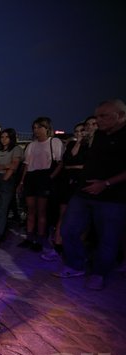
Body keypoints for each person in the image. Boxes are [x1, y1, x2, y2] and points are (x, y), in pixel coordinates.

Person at [56, 99, 126, 290]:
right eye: (96, 116)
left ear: (119, 115)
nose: (97, 120)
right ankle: (76, 264)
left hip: (113, 196)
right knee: (68, 229)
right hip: (84, 192)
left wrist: (106, 183)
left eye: (103, 116)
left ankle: (99, 273)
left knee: (108, 237)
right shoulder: (99, 136)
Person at [41, 122, 89, 261]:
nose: (79, 133)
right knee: (63, 215)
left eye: (82, 131)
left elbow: (87, 165)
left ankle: (78, 252)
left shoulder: (91, 146)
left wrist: (77, 166)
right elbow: (67, 162)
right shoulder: (72, 146)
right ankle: (58, 247)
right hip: (67, 183)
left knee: (83, 220)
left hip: (82, 184)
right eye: (77, 131)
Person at [17, 117, 63, 252]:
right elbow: (26, 165)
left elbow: (60, 162)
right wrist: (22, 181)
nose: (36, 130)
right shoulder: (31, 145)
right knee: (31, 210)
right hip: (31, 177)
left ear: (47, 128)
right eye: (34, 128)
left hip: (45, 176)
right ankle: (30, 237)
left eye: (39, 127)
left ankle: (40, 238)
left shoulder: (54, 142)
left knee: (42, 210)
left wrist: (50, 177)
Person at [0, 128, 24, 248]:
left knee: (2, 208)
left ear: (11, 138)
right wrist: (5, 166)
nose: (4, 139)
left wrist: (4, 174)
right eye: (2, 137)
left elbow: (14, 166)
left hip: (6, 180)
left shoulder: (16, 149)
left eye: (6, 137)